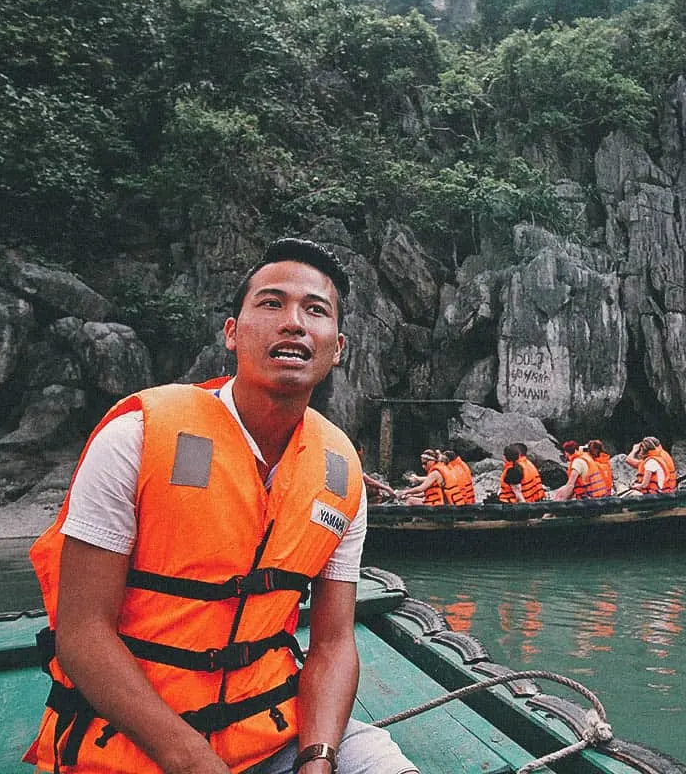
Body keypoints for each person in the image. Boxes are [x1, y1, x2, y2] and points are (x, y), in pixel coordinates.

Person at [24, 239, 417, 774]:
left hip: (270, 727)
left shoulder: (341, 471)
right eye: (271, 303)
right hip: (133, 741)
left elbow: (331, 642)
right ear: (232, 332)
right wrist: (192, 760)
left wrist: (319, 757)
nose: (294, 323)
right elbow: (83, 633)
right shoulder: (137, 436)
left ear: (338, 346)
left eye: (315, 310)